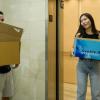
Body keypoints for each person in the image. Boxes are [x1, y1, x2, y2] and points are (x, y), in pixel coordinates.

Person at [75, 13, 100, 100]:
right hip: (82, 65)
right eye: (81, 21)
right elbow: (74, 49)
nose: (83, 22)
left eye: (85, 19)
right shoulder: (79, 35)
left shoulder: (99, 34)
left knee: (96, 93)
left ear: (90, 19)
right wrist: (73, 52)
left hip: (96, 65)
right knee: (80, 92)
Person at [0, 11, 19, 100]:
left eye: (3, 19)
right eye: (0, 19)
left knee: (7, 94)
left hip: (7, 70)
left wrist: (16, 60)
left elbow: (12, 48)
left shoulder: (7, 35)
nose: (2, 22)